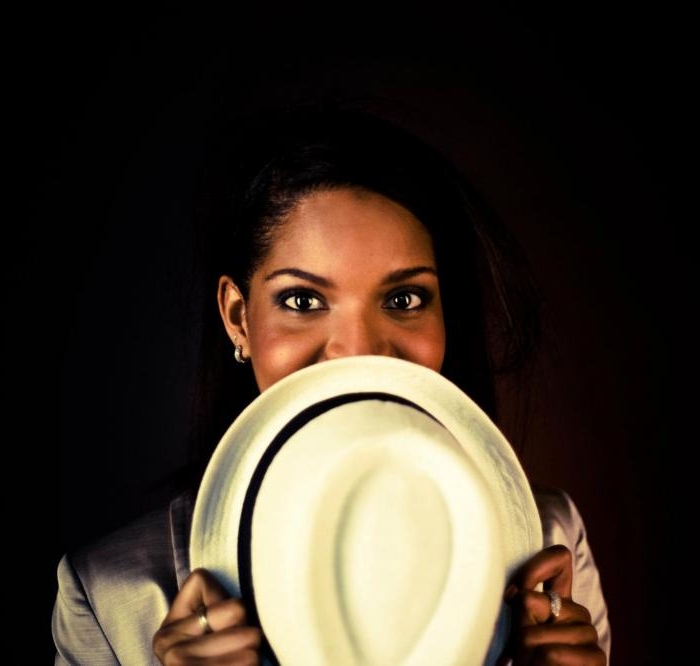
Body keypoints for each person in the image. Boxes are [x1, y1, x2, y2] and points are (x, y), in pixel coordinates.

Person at [51, 106, 610, 665]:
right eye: (302, 301)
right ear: (238, 317)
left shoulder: (553, 546)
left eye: (404, 299)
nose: (358, 352)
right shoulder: (109, 599)